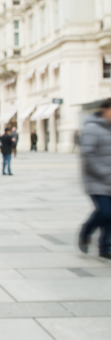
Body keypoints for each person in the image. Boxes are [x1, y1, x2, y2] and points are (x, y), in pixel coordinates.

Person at [78, 98, 111, 259]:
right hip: (97, 180)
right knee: (105, 211)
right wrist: (102, 172)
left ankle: (105, 247)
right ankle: (86, 231)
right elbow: (87, 154)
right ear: (105, 110)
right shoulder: (92, 128)